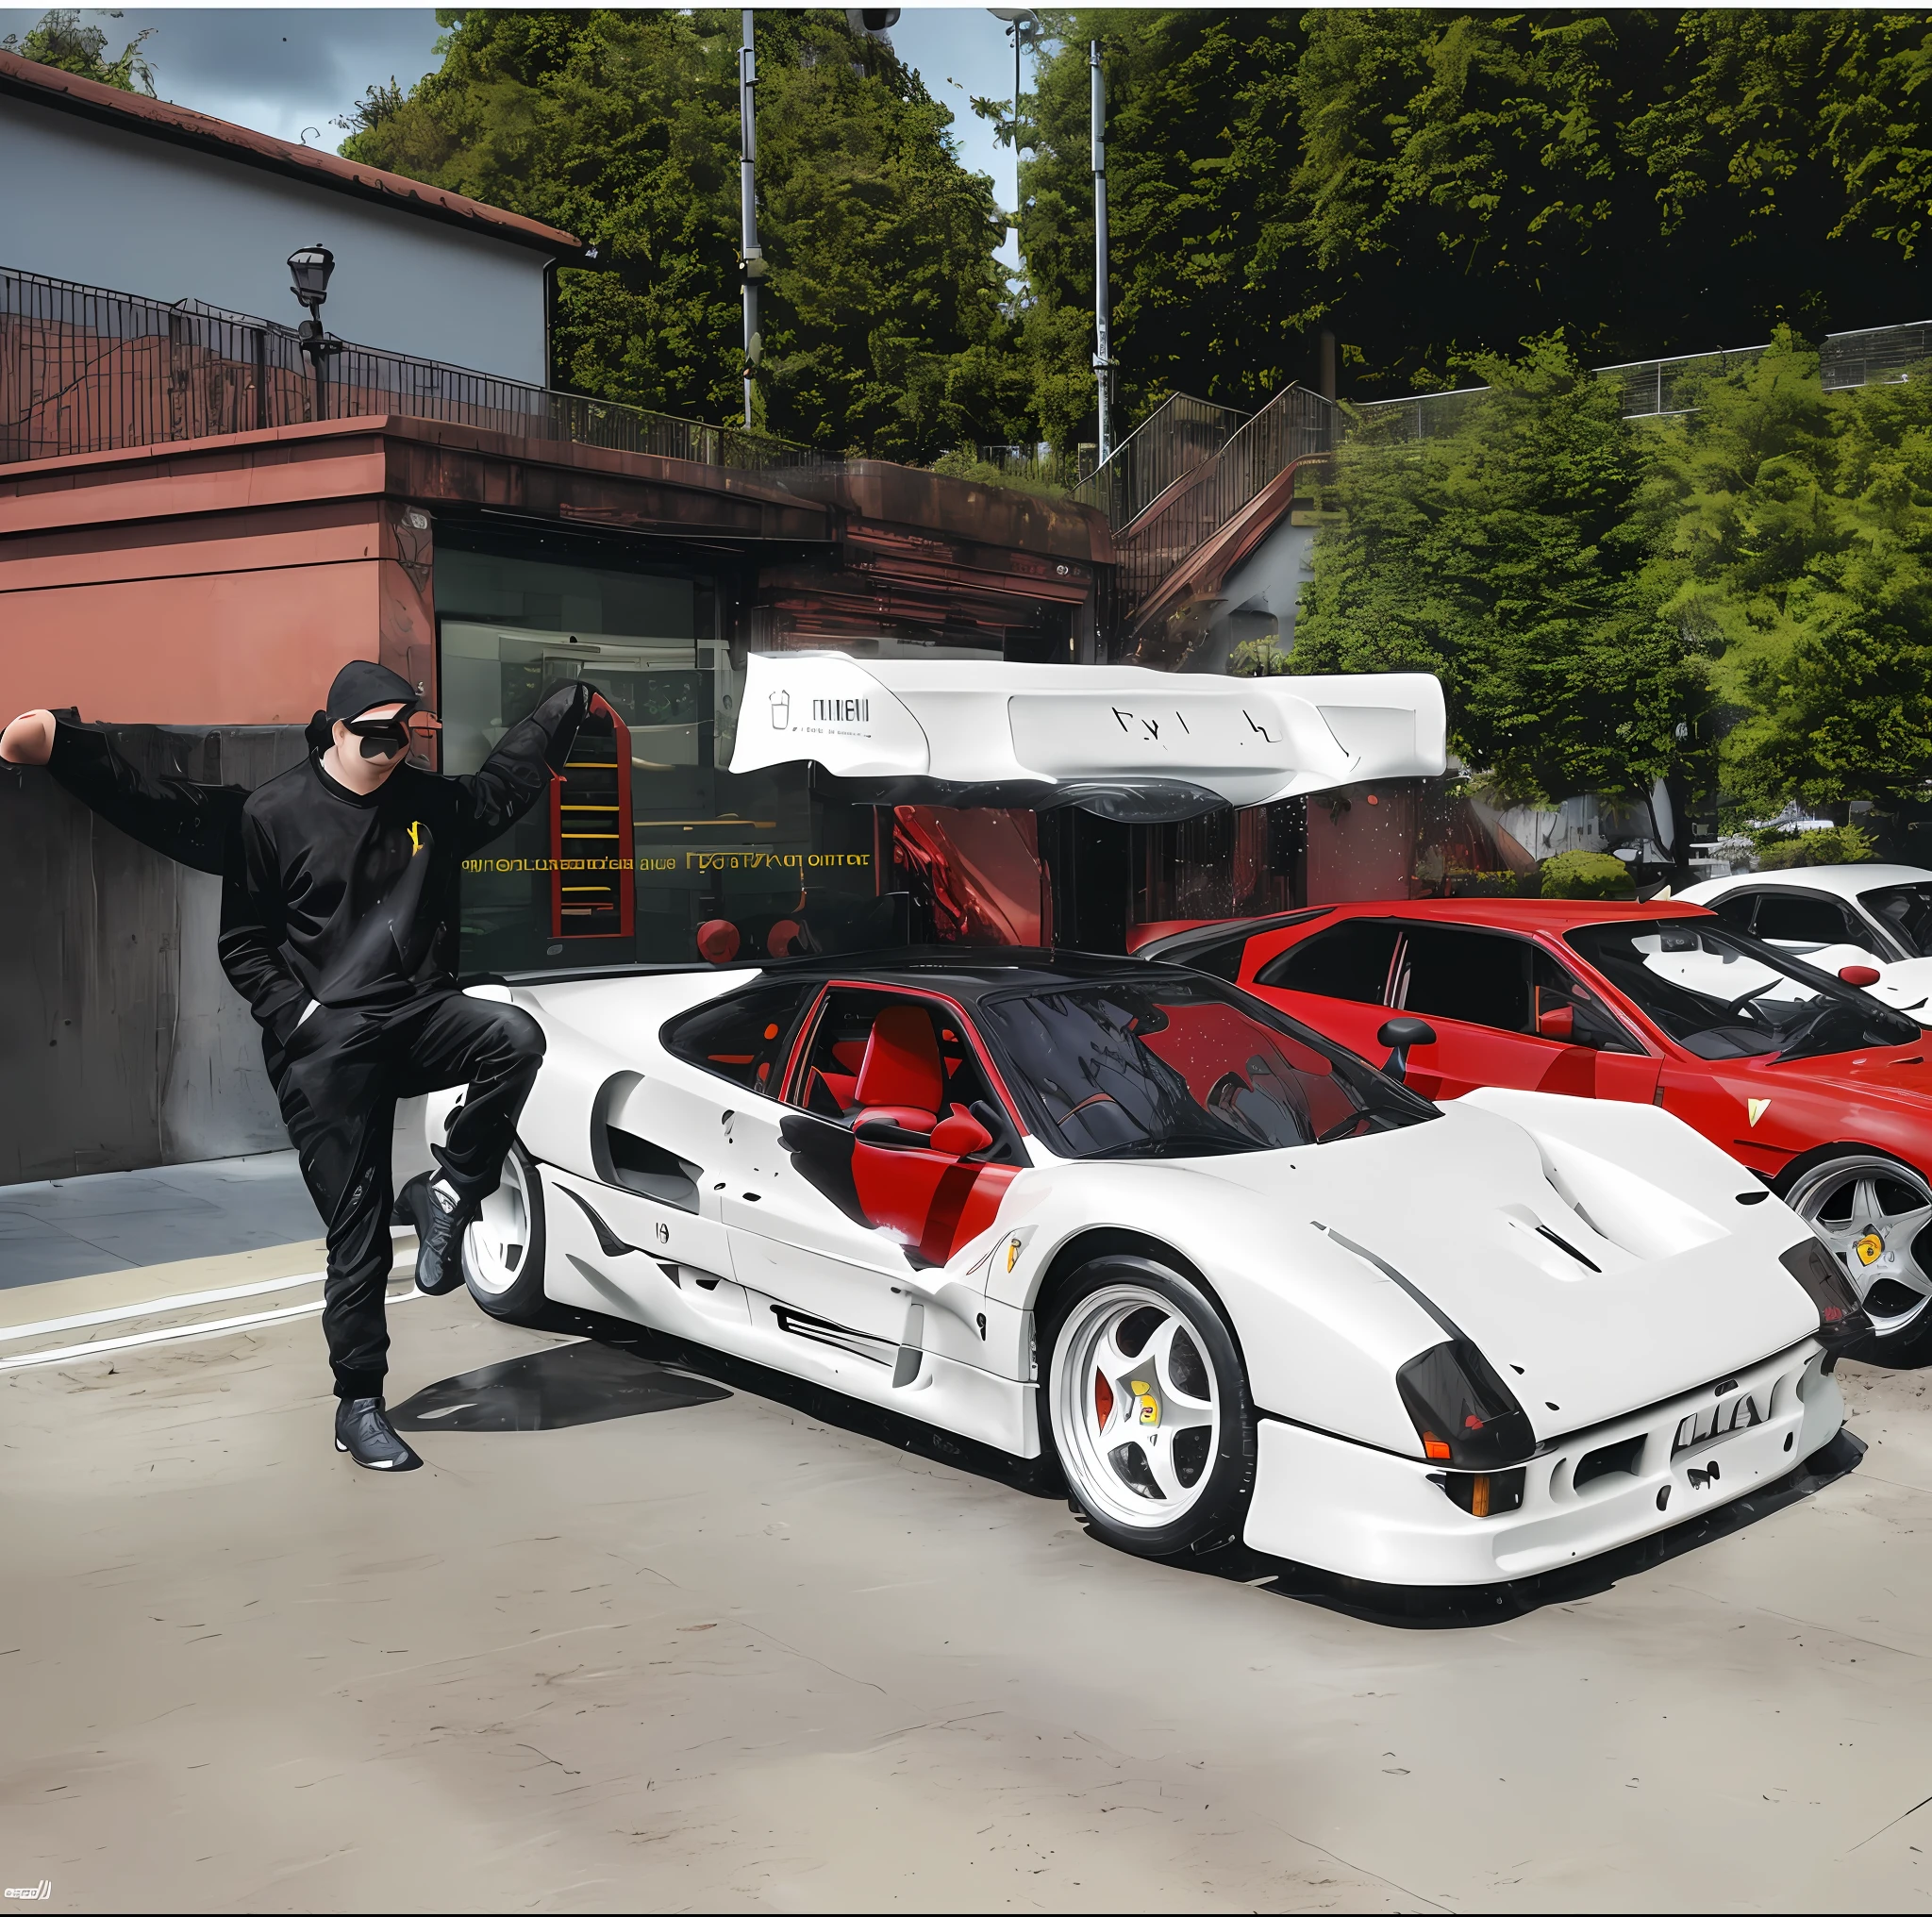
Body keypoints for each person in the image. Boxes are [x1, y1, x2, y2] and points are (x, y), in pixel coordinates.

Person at [2, 663, 596, 1471]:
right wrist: (302, 1019)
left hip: (416, 1013)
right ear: (338, 728)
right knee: (358, 1236)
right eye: (377, 735)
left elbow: (503, 786)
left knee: (513, 1039)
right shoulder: (273, 813)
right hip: (325, 1048)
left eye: (405, 734)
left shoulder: (426, 804)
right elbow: (241, 942)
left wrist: (567, 707)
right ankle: (360, 1404)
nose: (392, 752)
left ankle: (452, 1187)